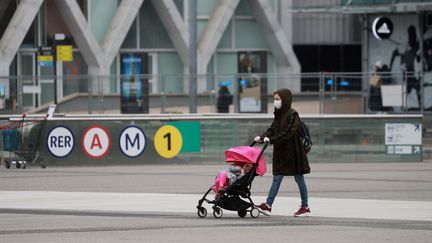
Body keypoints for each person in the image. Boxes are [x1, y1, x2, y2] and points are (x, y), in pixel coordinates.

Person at [254, 88, 311, 217]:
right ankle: (268, 205)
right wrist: (262, 137)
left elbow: (288, 133)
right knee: (277, 178)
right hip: (282, 153)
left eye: (277, 99)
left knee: (299, 179)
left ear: (284, 100)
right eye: (274, 99)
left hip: (294, 154)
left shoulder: (293, 114)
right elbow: (272, 129)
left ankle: (305, 206)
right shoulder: (279, 113)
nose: (275, 102)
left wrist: (271, 139)